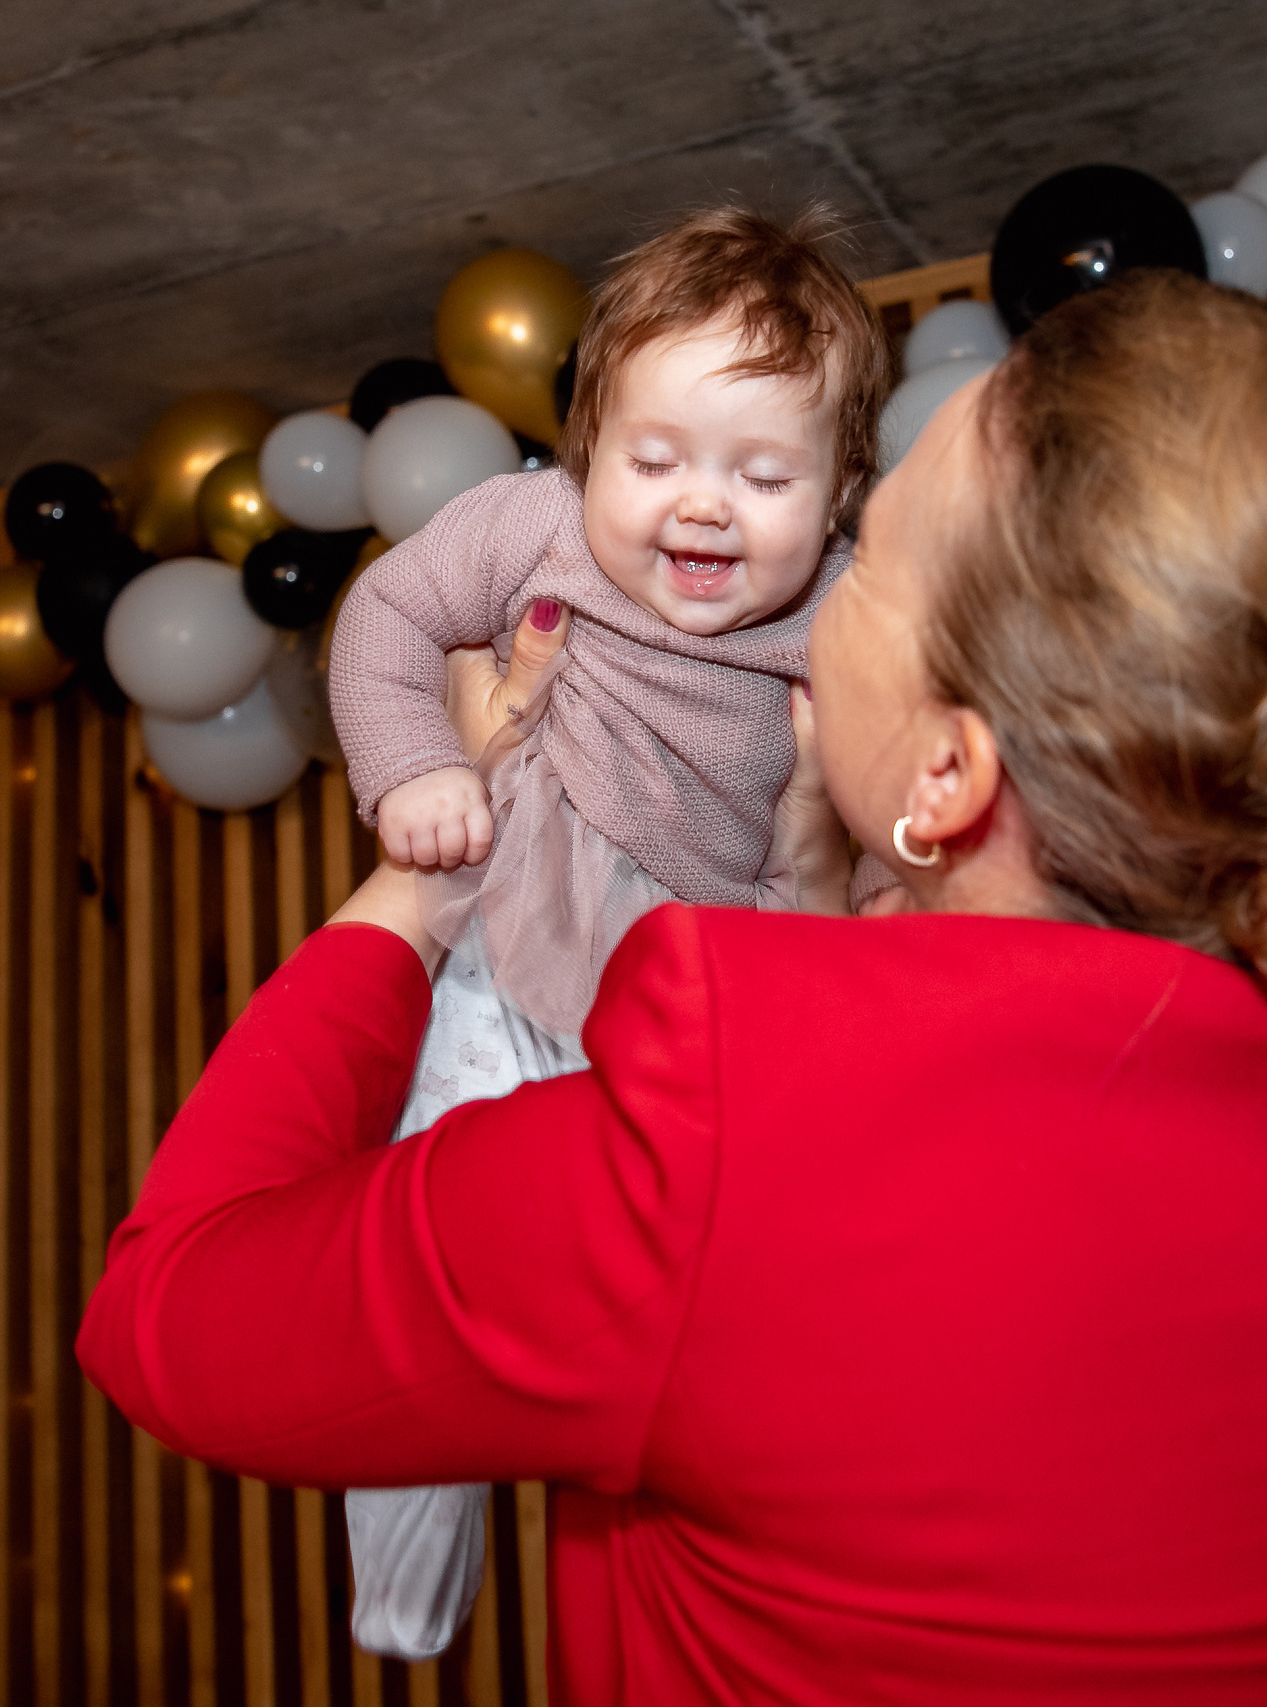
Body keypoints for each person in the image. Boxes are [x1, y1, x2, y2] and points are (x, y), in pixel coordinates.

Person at [79, 271, 1267, 1703]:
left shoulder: (738, 1107)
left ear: (949, 770)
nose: (814, 591)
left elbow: (169, 1315)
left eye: (867, 556)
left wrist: (430, 869)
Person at [319, 206, 882, 1657]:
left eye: (764, 475)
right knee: (422, 1273)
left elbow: (862, 842)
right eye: (655, 461)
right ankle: (401, 1600)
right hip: (510, 960)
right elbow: (383, 620)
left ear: (839, 495)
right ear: (585, 451)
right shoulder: (530, 532)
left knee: (703, 1323)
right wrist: (418, 770)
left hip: (692, 1011)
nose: (702, 507)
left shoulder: (842, 619)